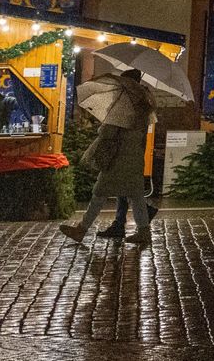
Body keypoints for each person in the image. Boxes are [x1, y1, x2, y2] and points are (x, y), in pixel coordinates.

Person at [61, 70, 156, 247]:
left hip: (118, 157)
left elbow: (108, 132)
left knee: (99, 192)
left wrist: (102, 127)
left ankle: (81, 229)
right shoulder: (143, 103)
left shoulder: (124, 105)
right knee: (136, 196)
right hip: (135, 157)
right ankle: (144, 232)